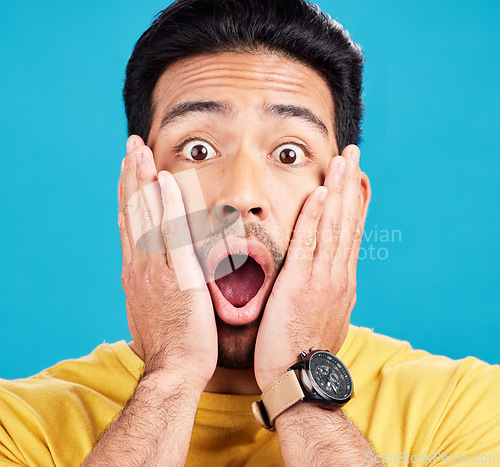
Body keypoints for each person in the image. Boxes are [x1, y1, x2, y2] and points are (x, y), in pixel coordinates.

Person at [1, 0, 499, 465]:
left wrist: (300, 384)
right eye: (197, 149)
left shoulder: (467, 408)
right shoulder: (19, 427)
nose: (240, 195)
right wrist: (170, 376)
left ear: (350, 205)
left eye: (288, 153)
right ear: (140, 197)